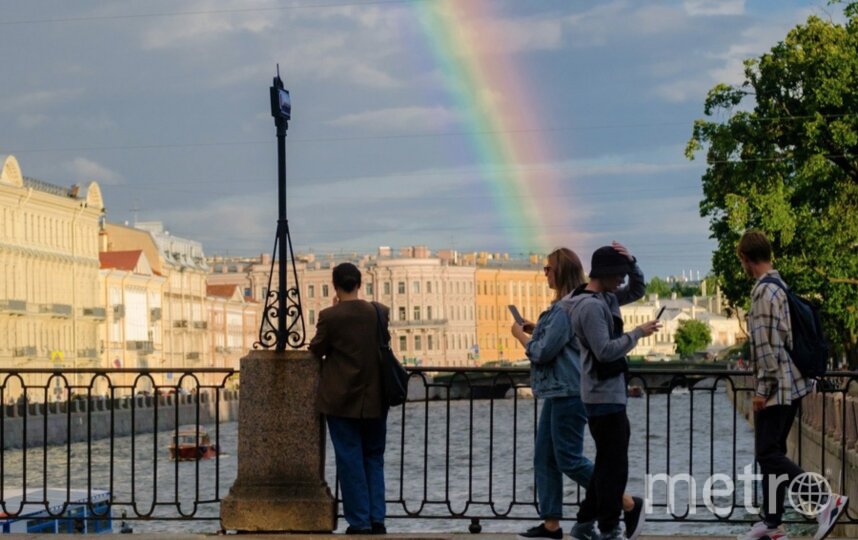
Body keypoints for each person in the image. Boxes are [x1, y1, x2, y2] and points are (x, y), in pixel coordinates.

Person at [512, 247, 646, 540]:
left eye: (548, 268)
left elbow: (544, 351)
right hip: (559, 389)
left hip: (569, 390)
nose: (544, 273)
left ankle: (624, 502)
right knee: (544, 457)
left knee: (569, 459)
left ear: (560, 271)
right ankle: (551, 524)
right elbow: (558, 340)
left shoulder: (571, 306)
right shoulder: (576, 303)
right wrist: (537, 329)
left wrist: (521, 336)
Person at [736, 230, 848, 540]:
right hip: (793, 383)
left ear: (744, 258)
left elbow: (766, 347)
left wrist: (761, 391)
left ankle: (825, 500)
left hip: (776, 388)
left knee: (768, 456)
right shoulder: (780, 286)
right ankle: (772, 525)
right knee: (774, 453)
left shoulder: (762, 292)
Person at [564, 242, 659, 540]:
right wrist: (637, 333)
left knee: (607, 464)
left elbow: (637, 288)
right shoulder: (592, 307)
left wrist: (632, 261)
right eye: (619, 273)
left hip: (607, 393)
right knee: (615, 469)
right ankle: (609, 528)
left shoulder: (605, 297)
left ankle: (583, 524)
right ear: (604, 274)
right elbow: (605, 351)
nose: (622, 279)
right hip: (603, 395)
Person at [309, 262, 389, 535]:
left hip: (341, 399)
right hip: (377, 398)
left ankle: (359, 522)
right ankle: (378, 518)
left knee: (349, 458)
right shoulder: (379, 312)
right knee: (374, 457)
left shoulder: (330, 316)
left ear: (335, 285)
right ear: (360, 283)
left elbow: (316, 349)